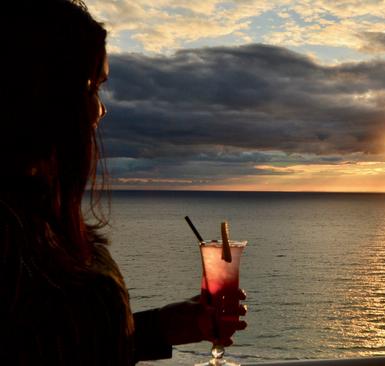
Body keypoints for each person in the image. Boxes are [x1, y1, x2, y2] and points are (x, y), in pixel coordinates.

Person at [0, 1, 246, 364]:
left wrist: (161, 327)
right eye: (93, 87)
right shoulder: (9, 237)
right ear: (45, 92)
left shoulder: (35, 219)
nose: (100, 110)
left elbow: (65, 346)